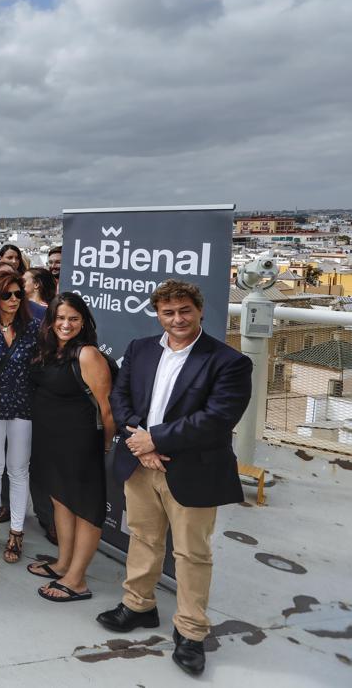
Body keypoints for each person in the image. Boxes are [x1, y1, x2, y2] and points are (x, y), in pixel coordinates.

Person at [96, 281, 251, 677]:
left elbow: (217, 418)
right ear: (158, 315)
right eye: (168, 313)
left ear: (199, 311)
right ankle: (138, 605)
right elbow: (121, 396)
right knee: (143, 538)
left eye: (184, 310)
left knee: (191, 554)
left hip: (191, 470)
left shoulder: (228, 361)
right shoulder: (141, 349)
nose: (177, 319)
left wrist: (156, 439)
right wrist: (141, 442)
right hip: (140, 462)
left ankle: (191, 632)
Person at [25, 292, 113, 602]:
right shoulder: (49, 350)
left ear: (83, 321)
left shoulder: (87, 354)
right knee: (61, 500)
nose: (66, 324)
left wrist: (102, 445)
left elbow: (106, 409)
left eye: (73, 319)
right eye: (60, 318)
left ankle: (76, 580)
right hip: (50, 438)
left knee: (86, 508)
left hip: (80, 440)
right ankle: (63, 562)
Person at [0, 272, 40, 564]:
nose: (13, 300)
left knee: (18, 470)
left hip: (22, 409)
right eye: (6, 295)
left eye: (18, 295)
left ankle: (16, 531)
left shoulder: (34, 329)